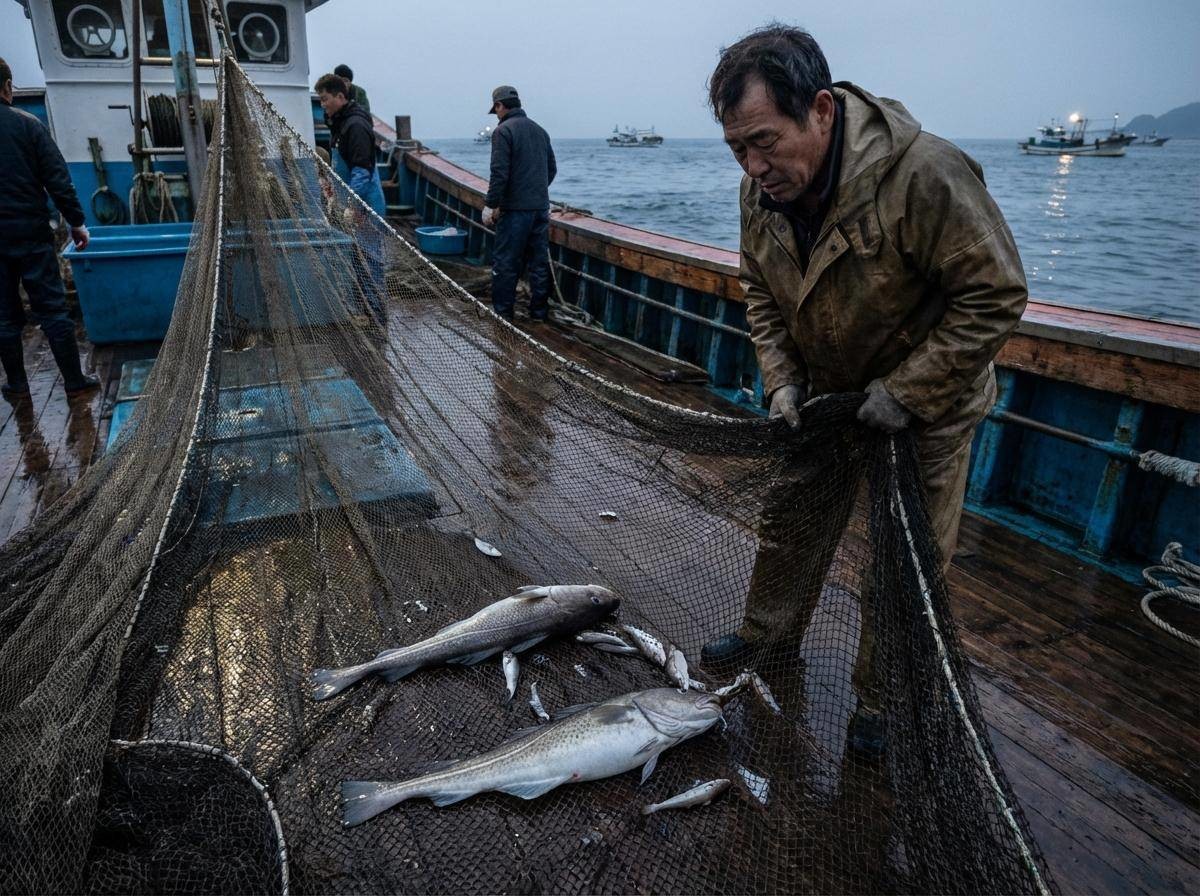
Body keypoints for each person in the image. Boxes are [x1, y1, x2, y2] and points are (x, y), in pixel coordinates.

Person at [700, 26, 1027, 747]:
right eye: (737, 150)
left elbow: (995, 295)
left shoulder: (927, 175)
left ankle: (883, 699)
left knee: (902, 563)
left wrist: (908, 392)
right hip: (824, 395)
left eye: (764, 141)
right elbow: (760, 290)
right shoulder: (760, 191)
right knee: (790, 525)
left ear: (820, 109)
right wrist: (782, 382)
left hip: (928, 408)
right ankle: (768, 638)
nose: (754, 167)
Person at [0, 57, 99, 400]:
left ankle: (16, 384)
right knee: (53, 310)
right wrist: (76, 223)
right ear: (8, 87)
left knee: (3, 316)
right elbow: (58, 181)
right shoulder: (29, 126)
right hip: (30, 234)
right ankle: (74, 380)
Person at [482, 85, 557, 322]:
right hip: (540, 209)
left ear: (499, 106)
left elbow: (499, 173)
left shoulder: (503, 131)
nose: (497, 116)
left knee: (506, 263)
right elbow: (551, 169)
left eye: (496, 111)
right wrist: (535, 193)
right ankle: (539, 314)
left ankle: (504, 317)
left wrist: (490, 205)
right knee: (538, 264)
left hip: (515, 212)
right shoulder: (540, 131)